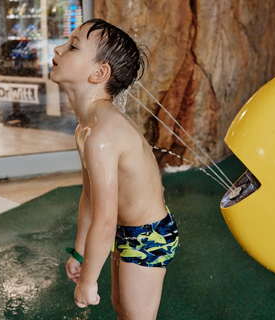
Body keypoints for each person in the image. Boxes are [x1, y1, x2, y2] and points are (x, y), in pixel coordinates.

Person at [50, 18, 179, 319]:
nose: (58, 48)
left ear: (99, 73)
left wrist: (88, 281)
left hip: (149, 235)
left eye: (72, 46)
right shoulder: (87, 129)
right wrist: (79, 251)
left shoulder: (102, 136)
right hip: (125, 229)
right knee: (122, 308)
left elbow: (105, 222)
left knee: (136, 315)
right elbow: (89, 199)